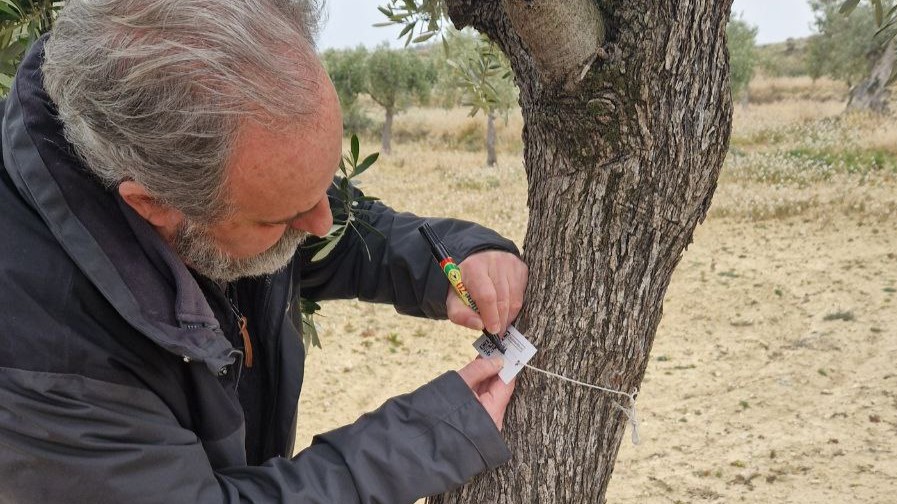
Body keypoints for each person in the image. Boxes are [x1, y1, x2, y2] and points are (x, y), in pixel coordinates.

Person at [0, 1, 528, 502]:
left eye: (323, 185)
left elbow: (324, 229)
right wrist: (426, 439)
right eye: (283, 219)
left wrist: (449, 260)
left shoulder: (216, 164)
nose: (323, 223)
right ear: (154, 204)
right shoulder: (40, 359)